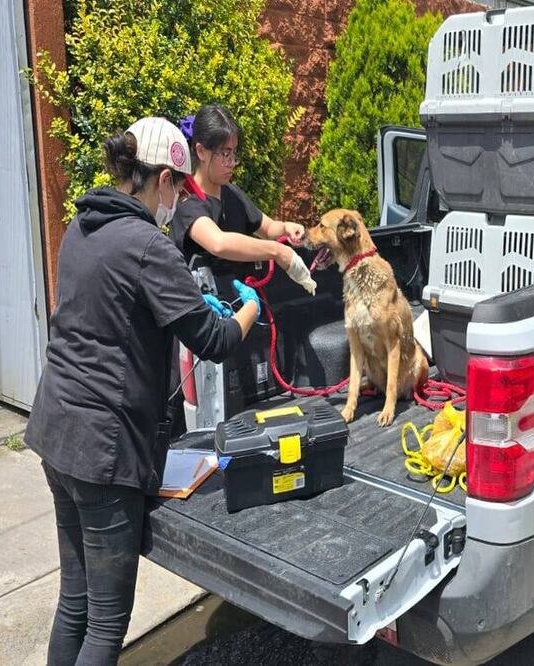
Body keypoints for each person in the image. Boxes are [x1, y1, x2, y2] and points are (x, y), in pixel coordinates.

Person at [24, 117, 261, 666]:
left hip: (56, 433)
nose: (179, 198)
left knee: (74, 603)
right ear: (159, 179)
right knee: (106, 623)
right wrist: (249, 309)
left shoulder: (82, 228)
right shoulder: (148, 247)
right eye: (178, 185)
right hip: (103, 452)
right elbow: (214, 338)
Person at [169, 104, 316, 294]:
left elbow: (268, 228)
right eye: (224, 154)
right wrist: (277, 251)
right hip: (204, 311)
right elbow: (218, 243)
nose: (231, 163)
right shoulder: (186, 200)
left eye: (233, 153)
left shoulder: (230, 192)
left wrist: (287, 227)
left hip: (239, 304)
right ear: (201, 151)